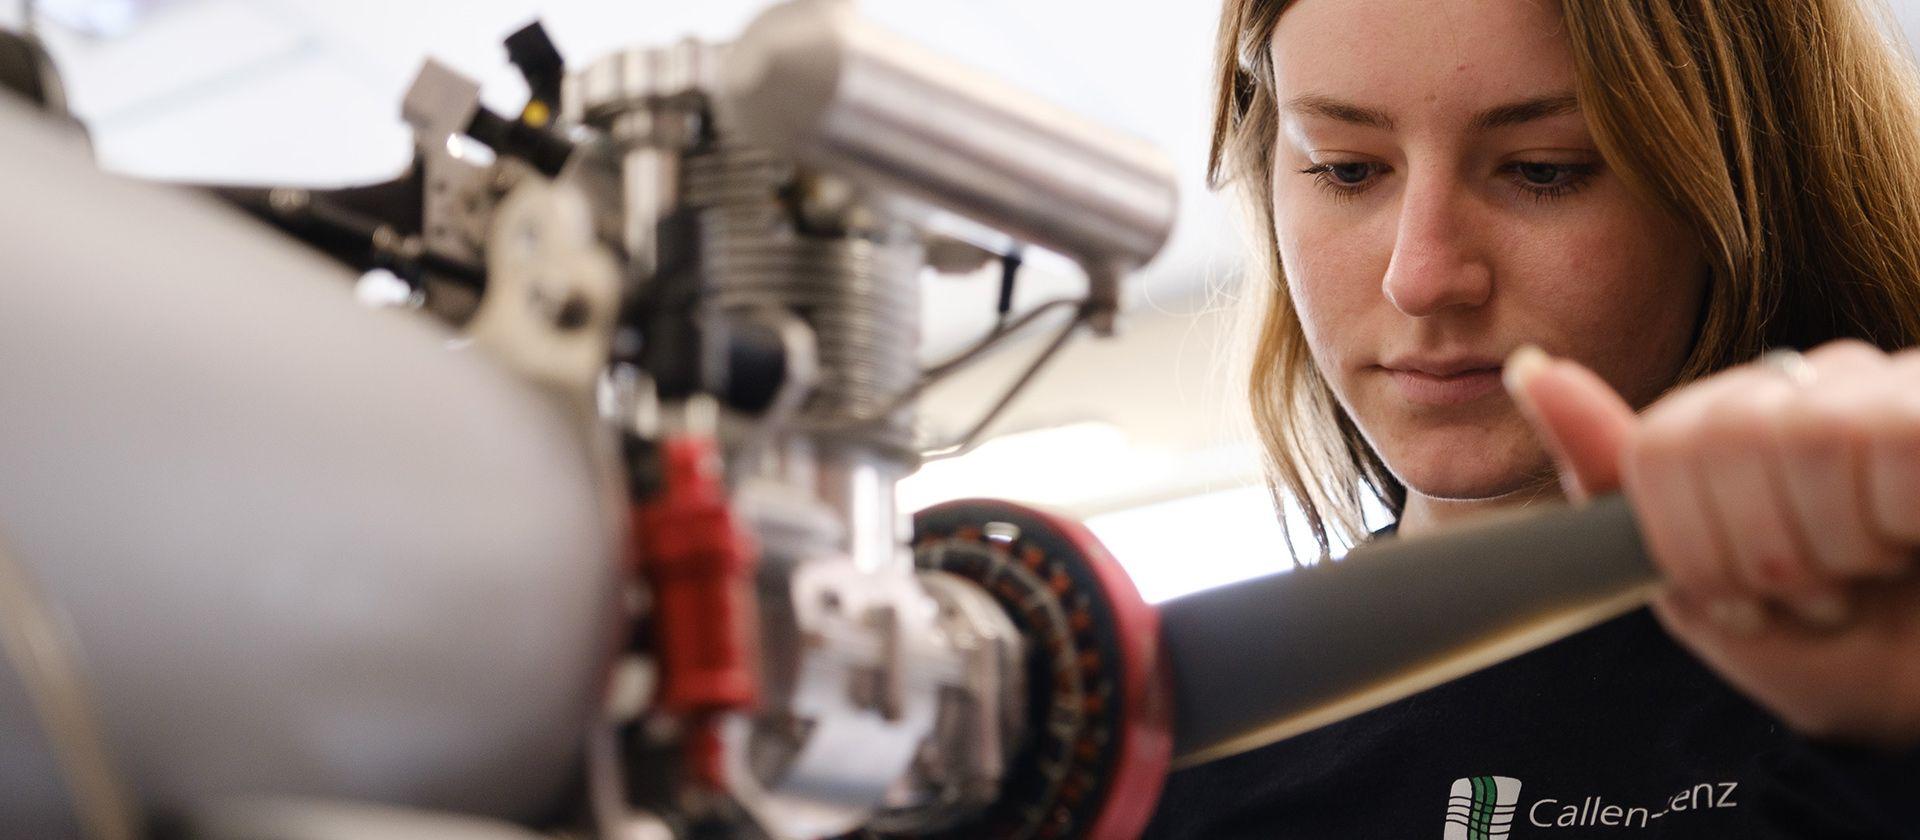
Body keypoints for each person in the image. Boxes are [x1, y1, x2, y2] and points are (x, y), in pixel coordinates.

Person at [1144, 0, 1920, 836]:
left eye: (1544, 170)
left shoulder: (1879, 672)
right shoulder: (1168, 748)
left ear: (1748, 176)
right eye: (1347, 170)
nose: (1423, 276)